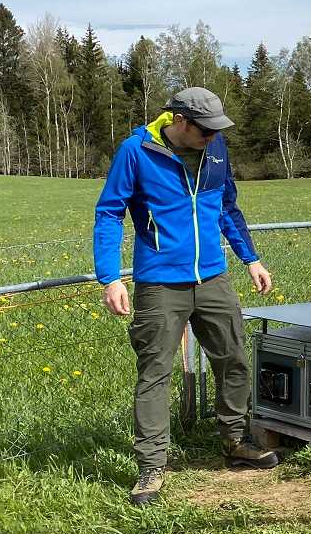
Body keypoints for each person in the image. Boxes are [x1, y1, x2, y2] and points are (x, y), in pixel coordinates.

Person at [94, 86, 279, 506]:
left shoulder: (216, 150)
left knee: (233, 360)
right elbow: (108, 213)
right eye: (204, 130)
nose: (212, 137)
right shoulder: (136, 150)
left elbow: (227, 206)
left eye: (216, 131)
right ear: (178, 120)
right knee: (155, 373)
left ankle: (235, 441)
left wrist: (250, 258)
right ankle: (151, 467)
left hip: (213, 277)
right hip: (159, 281)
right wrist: (110, 277)